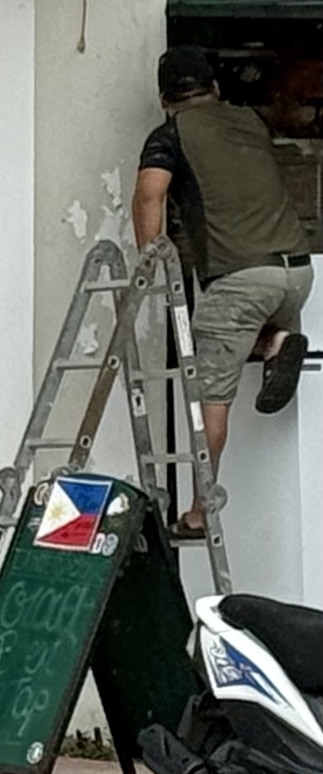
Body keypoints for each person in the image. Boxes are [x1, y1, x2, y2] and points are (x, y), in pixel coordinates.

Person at [131, 46, 312, 534]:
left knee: (209, 395)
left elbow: (151, 193)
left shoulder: (170, 135)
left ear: (165, 96)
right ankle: (274, 340)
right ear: (214, 87)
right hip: (296, 273)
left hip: (241, 279)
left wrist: (151, 260)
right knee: (239, 330)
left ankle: (198, 511)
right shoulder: (250, 122)